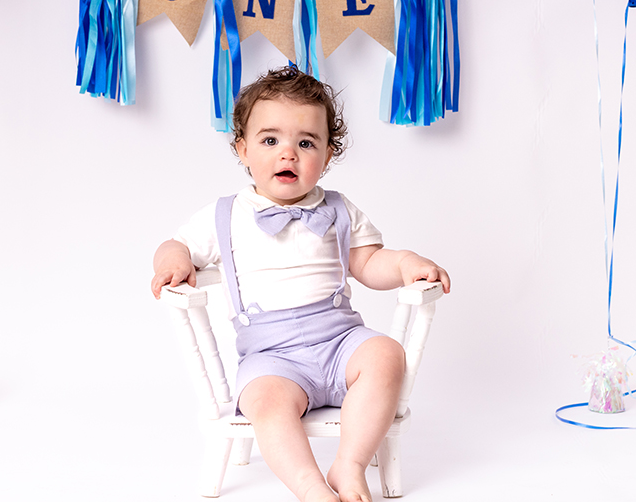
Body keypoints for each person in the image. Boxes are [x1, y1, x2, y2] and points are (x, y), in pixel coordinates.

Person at [151, 65, 451, 502]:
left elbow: (368, 263)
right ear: (243, 149)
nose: (287, 153)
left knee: (387, 355)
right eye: (270, 140)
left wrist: (405, 263)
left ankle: (348, 465)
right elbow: (174, 243)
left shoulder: (339, 210)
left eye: (305, 142)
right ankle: (309, 486)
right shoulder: (226, 214)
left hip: (340, 338)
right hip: (271, 355)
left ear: (328, 156)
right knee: (267, 404)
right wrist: (175, 262)